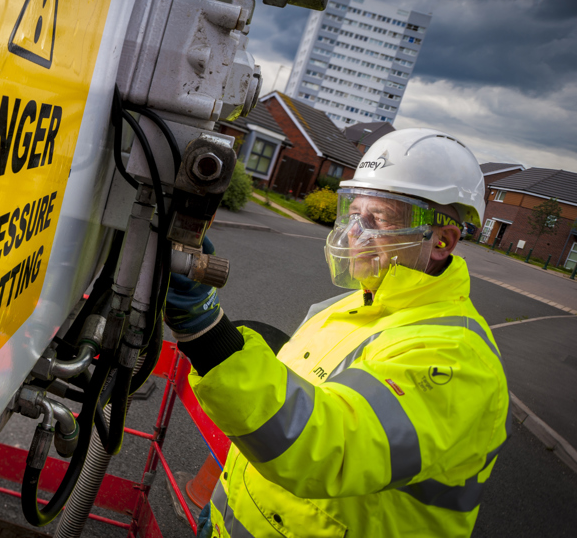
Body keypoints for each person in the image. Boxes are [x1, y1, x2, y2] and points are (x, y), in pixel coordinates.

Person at [165, 129, 510, 538]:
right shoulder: (350, 304)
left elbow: (331, 449)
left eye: (377, 219)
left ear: (441, 241)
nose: (353, 233)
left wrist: (207, 334)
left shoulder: (457, 357)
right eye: (352, 212)